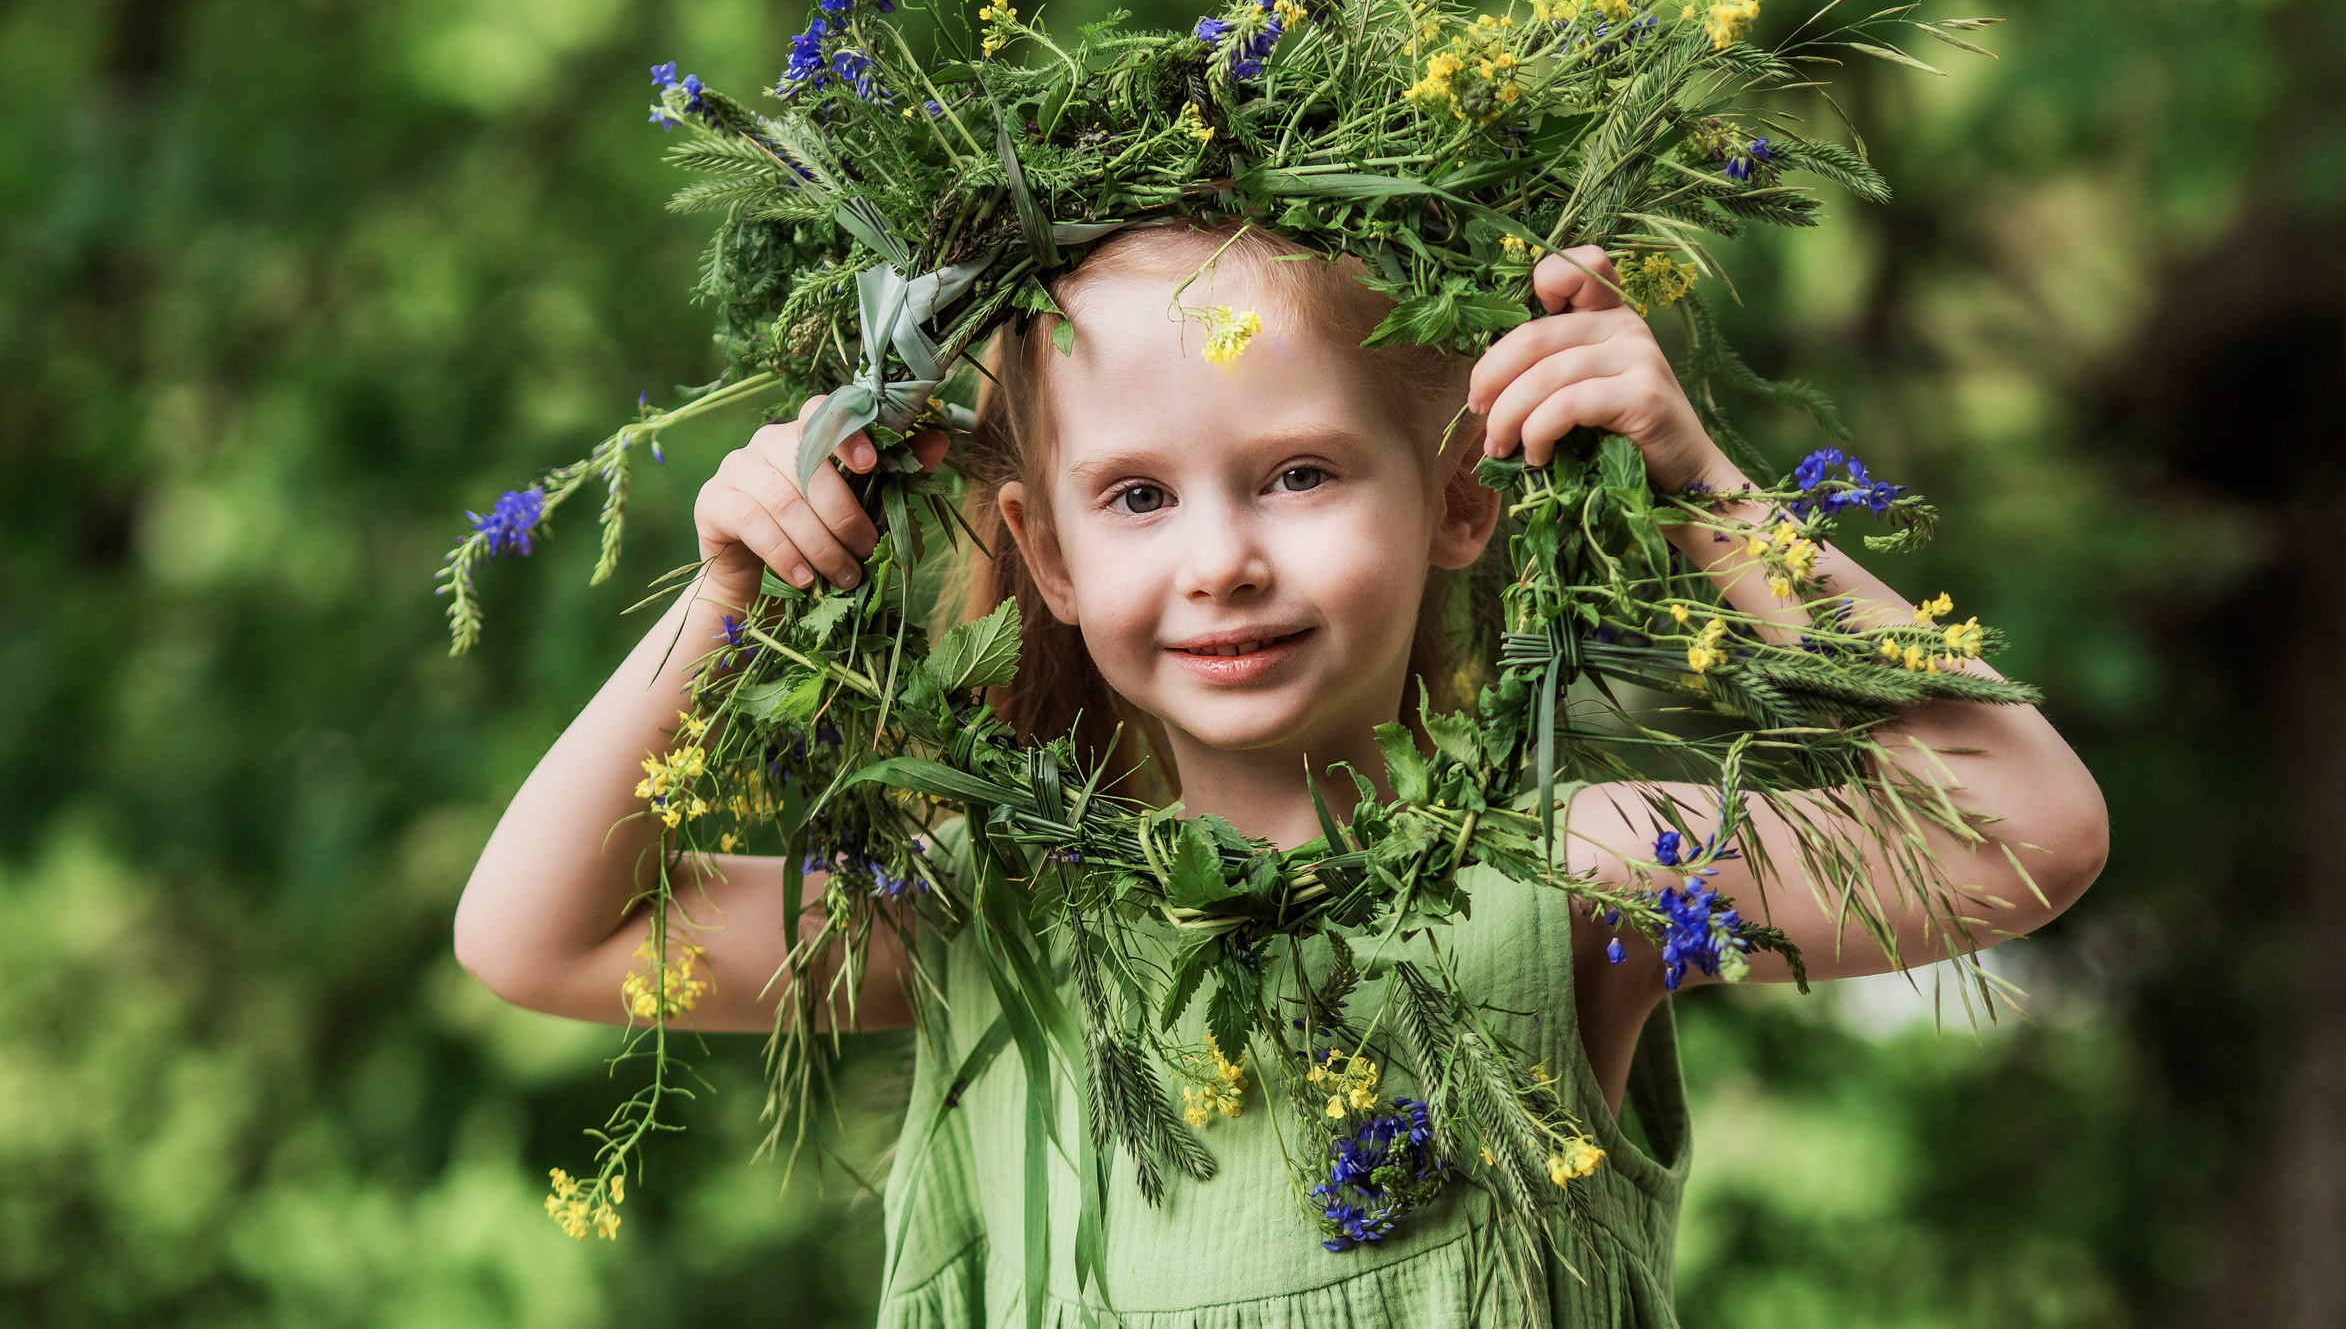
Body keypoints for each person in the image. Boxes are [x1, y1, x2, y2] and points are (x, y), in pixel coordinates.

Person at [454, 223, 2108, 1323]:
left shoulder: (1573, 876)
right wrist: (731, 602)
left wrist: (1698, 488)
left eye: (1300, 473)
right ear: (1044, 554)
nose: (1223, 560)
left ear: (1460, 498)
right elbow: (538, 938)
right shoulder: (992, 919)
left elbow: (2022, 826)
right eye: (1138, 496)